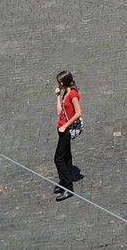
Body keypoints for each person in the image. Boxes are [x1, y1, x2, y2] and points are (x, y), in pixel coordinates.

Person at [52, 70, 82, 199]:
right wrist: (58, 96)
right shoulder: (65, 93)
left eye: (59, 83)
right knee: (66, 156)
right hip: (61, 128)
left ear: (63, 82)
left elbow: (78, 113)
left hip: (66, 130)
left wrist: (66, 125)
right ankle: (64, 181)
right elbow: (59, 111)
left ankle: (68, 186)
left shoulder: (73, 94)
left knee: (58, 159)